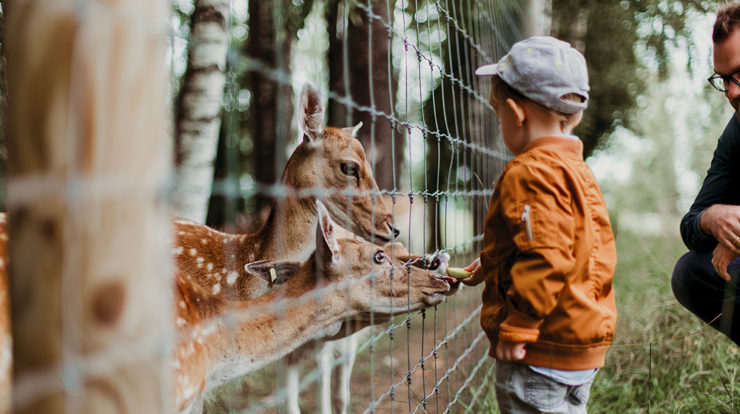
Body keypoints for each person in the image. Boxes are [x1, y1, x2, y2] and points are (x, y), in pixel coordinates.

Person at [459, 36, 617, 413]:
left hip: (538, 351)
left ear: (516, 113)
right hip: (579, 347)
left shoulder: (529, 173)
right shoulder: (578, 171)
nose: (501, 124)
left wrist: (519, 324)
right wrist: (493, 263)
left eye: (498, 115)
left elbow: (547, 255)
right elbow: (573, 245)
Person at [672, 3, 740, 345]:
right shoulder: (737, 132)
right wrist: (713, 219)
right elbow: (691, 223)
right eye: (724, 79)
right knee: (691, 272)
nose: (732, 92)